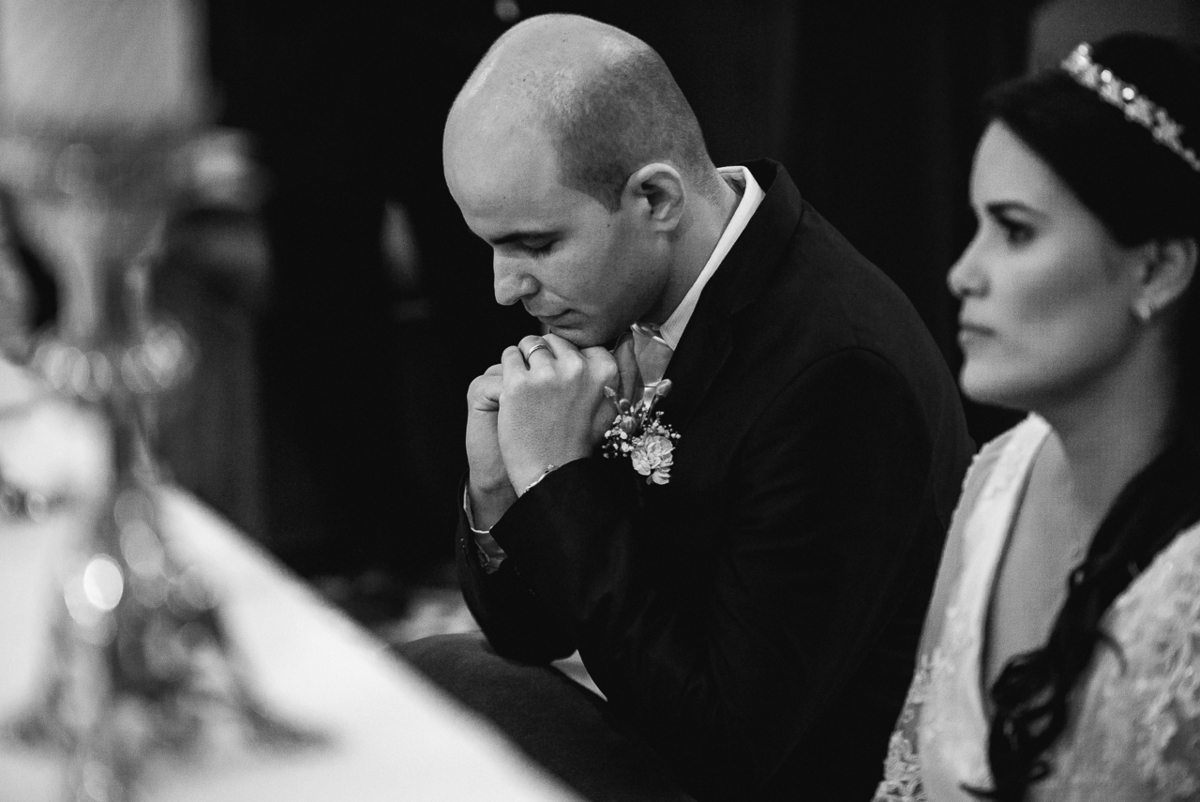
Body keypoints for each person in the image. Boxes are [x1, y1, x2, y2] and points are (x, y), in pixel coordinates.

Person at [401, 14, 973, 802]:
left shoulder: (838, 375)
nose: (505, 288)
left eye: (535, 244)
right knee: (420, 686)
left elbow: (726, 744)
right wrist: (500, 488)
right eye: (491, 246)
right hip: (664, 722)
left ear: (656, 198)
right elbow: (530, 632)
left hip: (790, 779)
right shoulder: (625, 289)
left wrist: (557, 483)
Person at [874, 33, 1200, 802]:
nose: (963, 273)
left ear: (1156, 268)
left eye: (1015, 230)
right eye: (976, 225)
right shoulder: (997, 478)